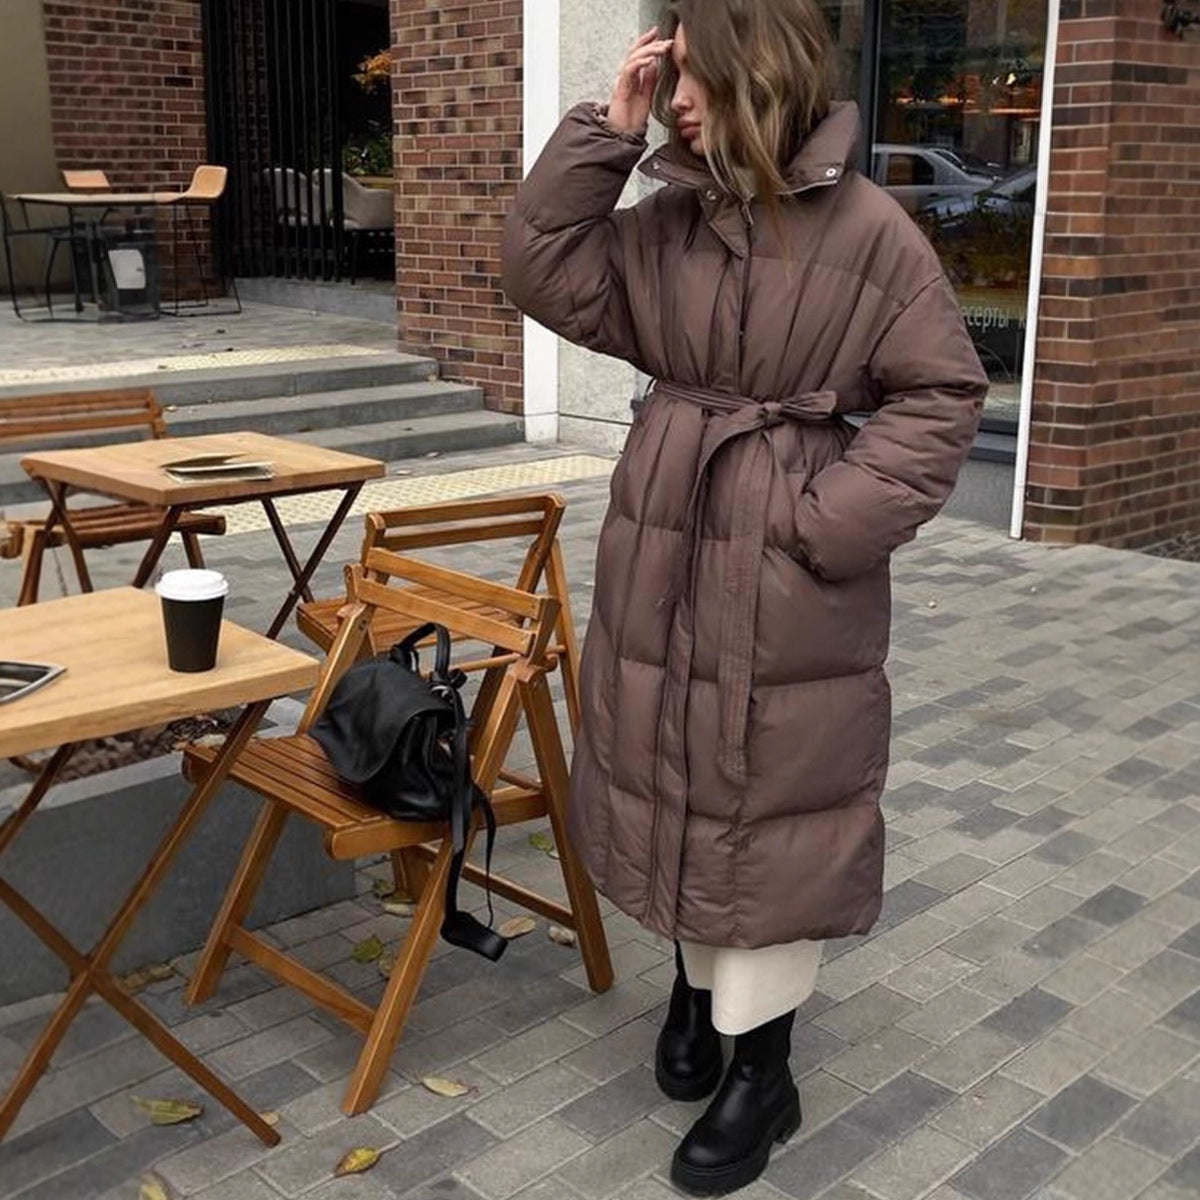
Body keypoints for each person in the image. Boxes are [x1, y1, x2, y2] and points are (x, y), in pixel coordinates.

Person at [502, 1, 987, 1194]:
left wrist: (826, 518)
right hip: (666, 539)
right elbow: (539, 270)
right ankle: (692, 981)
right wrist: (600, 135)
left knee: (765, 794)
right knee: (674, 766)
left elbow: (942, 394)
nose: (676, 100)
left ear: (760, 78)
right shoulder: (667, 219)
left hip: (783, 562)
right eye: (669, 79)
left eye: (695, 79)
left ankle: (762, 1070)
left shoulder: (870, 231)